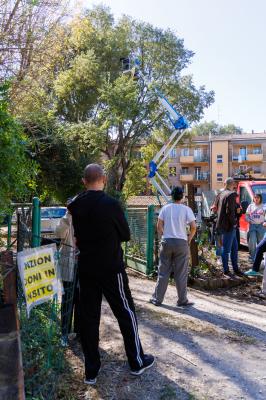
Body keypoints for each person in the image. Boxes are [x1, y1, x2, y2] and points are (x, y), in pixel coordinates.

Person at [68, 164, 154, 385]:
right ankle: (136, 361)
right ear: (104, 179)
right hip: (111, 268)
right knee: (125, 312)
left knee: (89, 318)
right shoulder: (111, 204)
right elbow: (125, 234)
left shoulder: (74, 205)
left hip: (86, 268)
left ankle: (91, 371)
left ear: (83, 181)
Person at [149, 186, 196, 307]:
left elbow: (159, 226)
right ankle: (182, 300)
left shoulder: (165, 208)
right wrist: (189, 239)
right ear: (182, 196)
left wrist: (164, 236)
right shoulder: (186, 209)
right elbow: (193, 227)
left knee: (163, 272)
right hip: (181, 243)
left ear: (172, 196)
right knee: (181, 273)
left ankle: (157, 299)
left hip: (167, 242)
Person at [55, 206, 80, 341]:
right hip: (70, 266)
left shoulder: (87, 217)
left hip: (84, 266)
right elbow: (58, 233)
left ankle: (78, 331)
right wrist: (68, 215)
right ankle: (64, 333)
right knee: (67, 300)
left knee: (81, 300)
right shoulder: (67, 220)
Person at [216, 177, 244, 276]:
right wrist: (234, 223)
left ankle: (235, 269)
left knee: (234, 248)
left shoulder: (221, 193)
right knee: (226, 249)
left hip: (223, 225)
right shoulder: (231, 194)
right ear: (232, 184)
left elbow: (216, 208)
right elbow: (229, 211)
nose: (235, 185)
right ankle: (226, 270)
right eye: (234, 183)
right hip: (229, 226)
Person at [245, 194, 266, 261]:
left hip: (261, 226)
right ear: (253, 199)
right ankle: (253, 257)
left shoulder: (264, 206)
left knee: (260, 242)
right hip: (252, 226)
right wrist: (249, 220)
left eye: (258, 198)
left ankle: (259, 257)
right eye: (255, 198)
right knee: (252, 241)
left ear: (260, 199)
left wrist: (265, 221)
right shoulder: (250, 206)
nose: (256, 199)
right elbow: (246, 216)